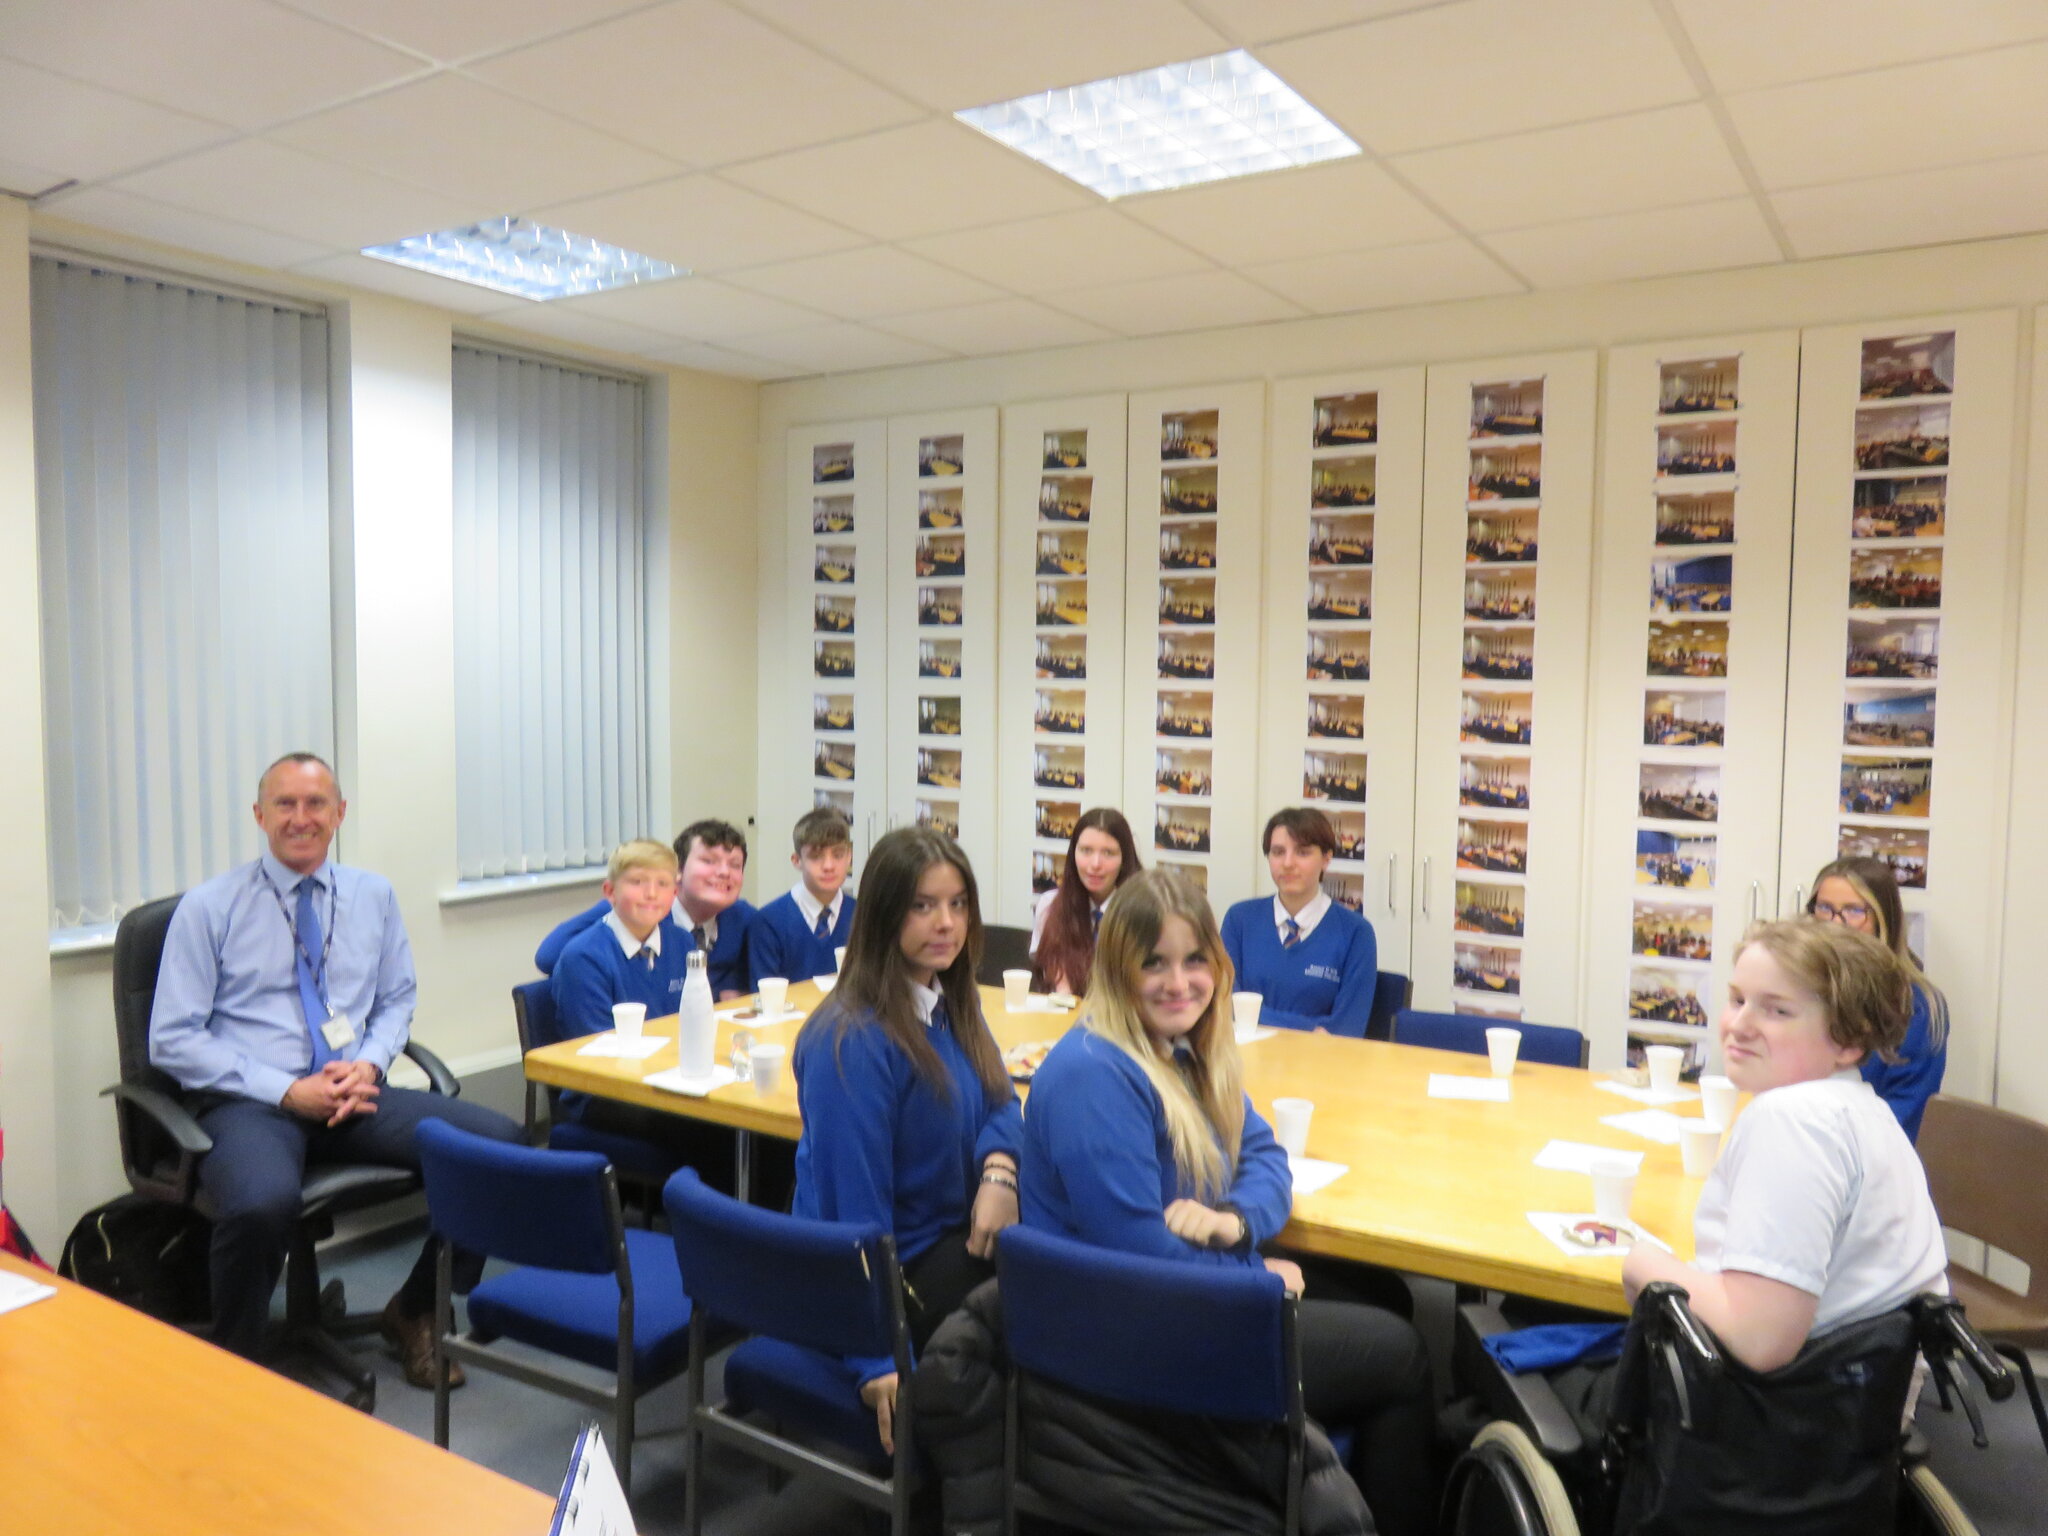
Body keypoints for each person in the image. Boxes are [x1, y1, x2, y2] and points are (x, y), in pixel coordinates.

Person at [1020, 870, 1437, 1536]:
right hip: (1132, 1336)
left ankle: (1313, 1466)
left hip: (1182, 1293)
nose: (1178, 982)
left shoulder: (1183, 1049)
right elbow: (1137, 1260)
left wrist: (1234, 1222)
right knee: (1403, 1353)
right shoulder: (1094, 1074)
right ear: (1116, 969)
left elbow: (1268, 1159)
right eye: (1152, 963)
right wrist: (1253, 1280)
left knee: (1382, 1296)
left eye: (1194, 960)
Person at [149, 753, 522, 1387]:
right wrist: (288, 1089)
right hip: (252, 1101)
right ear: (260, 815)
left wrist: (370, 1063)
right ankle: (236, 1365)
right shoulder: (210, 908)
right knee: (262, 1201)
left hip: (353, 1091)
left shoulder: (372, 895)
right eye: (285, 804)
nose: (301, 818)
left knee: (503, 1149)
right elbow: (172, 1038)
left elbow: (397, 997)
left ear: (339, 812)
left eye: (316, 803)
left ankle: (415, 1310)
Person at [1619, 919, 1946, 1374]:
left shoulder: (1794, 1121)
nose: (1739, 1025)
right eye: (1737, 1000)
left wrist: (1643, 1262)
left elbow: (1761, 1340)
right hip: (1859, 1406)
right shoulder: (1864, 1112)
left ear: (1849, 1041)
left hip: (1766, 1418)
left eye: (1777, 1011)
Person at [792, 827, 1022, 1455]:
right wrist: (874, 1359)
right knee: (1062, 1298)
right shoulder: (854, 1040)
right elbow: (854, 1217)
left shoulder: (946, 998)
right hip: (880, 1277)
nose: (945, 923)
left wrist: (1000, 1171)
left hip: (946, 1239)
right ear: (885, 914)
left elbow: (1004, 1102)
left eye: (958, 904)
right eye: (922, 906)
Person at [546, 839, 737, 1187]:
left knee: (747, 1120)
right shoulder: (584, 958)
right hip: (607, 1093)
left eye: (663, 884)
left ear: (675, 892)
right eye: (637, 882)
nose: (651, 893)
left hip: (671, 1077)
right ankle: (715, 1224)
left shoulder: (680, 943)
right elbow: (600, 1056)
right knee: (716, 1128)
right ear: (610, 891)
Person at [1805, 856, 1949, 1140]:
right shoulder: (1798, 985)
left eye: (1853, 911)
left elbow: (1899, 1121)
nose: (1835, 923)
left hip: (1865, 1158)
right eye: (1825, 908)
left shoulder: (1918, 1006)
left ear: (1884, 920)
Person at [535, 818, 755, 999]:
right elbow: (548, 956)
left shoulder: (742, 918)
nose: (725, 872)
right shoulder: (636, 909)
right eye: (709, 861)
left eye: (735, 865)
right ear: (677, 870)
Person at [1220, 808, 1378, 1036]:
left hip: (1319, 1064)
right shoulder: (1239, 920)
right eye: (1277, 852)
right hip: (1245, 1060)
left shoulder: (1356, 933)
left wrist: (1256, 1017)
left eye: (1302, 853)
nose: (1287, 863)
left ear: (1326, 859)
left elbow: (1347, 1029)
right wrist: (1312, 1027)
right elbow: (1224, 1008)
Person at [1029, 806, 1141, 996]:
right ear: (1074, 854)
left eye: (1108, 853)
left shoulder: (1143, 910)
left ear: (1125, 859)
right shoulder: (1050, 905)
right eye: (1086, 851)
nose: (1095, 864)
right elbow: (1045, 975)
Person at [746, 807, 856, 990]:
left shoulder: (862, 915)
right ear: (797, 860)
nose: (828, 866)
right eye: (816, 856)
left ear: (849, 857)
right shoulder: (768, 921)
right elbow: (762, 997)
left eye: (838, 855)